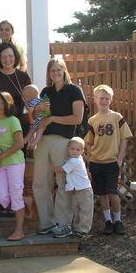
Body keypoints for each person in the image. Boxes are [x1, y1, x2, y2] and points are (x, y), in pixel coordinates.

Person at [33, 58, 85, 238]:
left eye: (58, 70)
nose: (55, 73)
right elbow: (39, 117)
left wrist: (53, 119)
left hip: (63, 141)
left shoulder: (74, 90)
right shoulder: (46, 92)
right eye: (52, 70)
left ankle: (63, 224)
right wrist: (37, 110)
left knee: (63, 182)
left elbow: (77, 118)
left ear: (64, 71)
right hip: (44, 140)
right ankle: (47, 222)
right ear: (49, 73)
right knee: (40, 182)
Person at [85, 84, 133, 235]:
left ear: (111, 100)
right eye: (101, 98)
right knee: (102, 193)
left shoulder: (116, 117)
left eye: (107, 98)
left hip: (112, 162)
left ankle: (118, 221)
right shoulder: (92, 120)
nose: (104, 101)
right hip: (96, 162)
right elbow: (89, 142)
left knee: (113, 192)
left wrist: (120, 158)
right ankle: (108, 221)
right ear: (95, 99)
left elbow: (125, 138)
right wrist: (89, 159)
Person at [0, 91, 26, 241]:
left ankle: (19, 230)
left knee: (16, 196)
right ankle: (26, 202)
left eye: (3, 102)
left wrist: (2, 155)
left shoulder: (13, 120)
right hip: (1, 163)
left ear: (9, 105)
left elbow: (20, 144)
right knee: (1, 196)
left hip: (15, 162)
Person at [53, 137, 94, 238]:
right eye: (72, 149)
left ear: (82, 152)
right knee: (76, 210)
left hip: (84, 190)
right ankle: (77, 228)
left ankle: (83, 230)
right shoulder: (73, 160)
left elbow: (60, 170)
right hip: (77, 190)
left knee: (85, 210)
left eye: (77, 149)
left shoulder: (75, 161)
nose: (74, 151)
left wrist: (51, 165)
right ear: (68, 149)